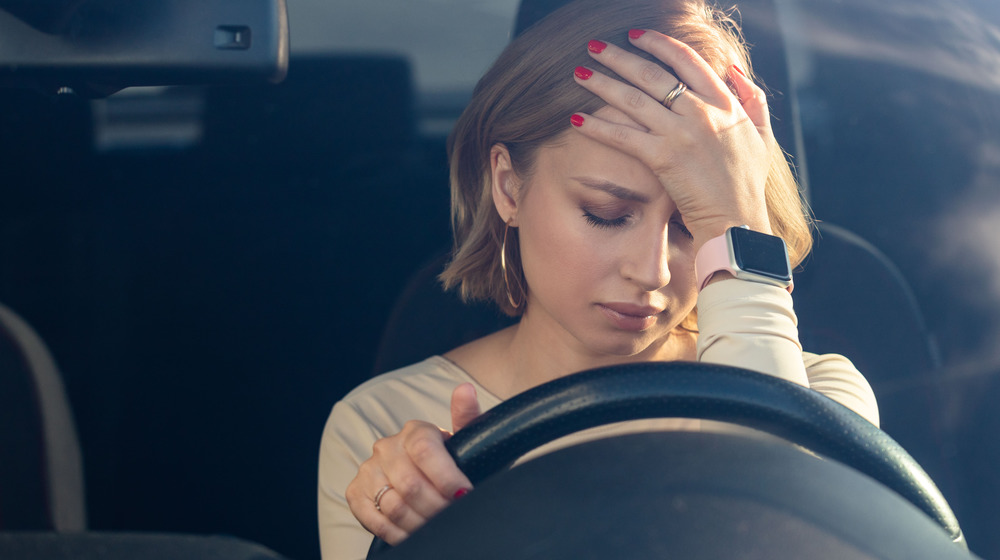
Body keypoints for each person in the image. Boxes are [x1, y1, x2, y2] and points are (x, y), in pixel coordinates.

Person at [318, 0, 880, 557]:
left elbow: (783, 539)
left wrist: (738, 226)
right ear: (509, 188)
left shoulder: (821, 400)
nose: (653, 270)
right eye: (605, 214)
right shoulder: (384, 435)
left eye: (694, 229)